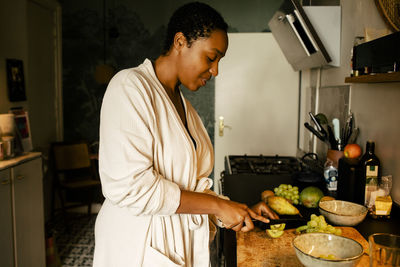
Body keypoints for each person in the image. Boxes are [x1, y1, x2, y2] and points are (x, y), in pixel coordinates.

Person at [93, 2, 278, 266]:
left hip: (179, 243)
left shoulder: (184, 107)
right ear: (180, 41)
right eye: (211, 57)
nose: (215, 71)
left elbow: (191, 186)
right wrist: (217, 207)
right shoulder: (130, 87)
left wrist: (236, 209)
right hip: (139, 247)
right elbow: (130, 187)